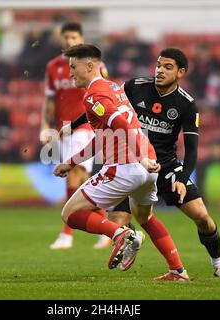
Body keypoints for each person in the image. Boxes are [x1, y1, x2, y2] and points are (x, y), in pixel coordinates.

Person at [64, 48, 220, 279]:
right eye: (158, 65)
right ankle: (175, 268)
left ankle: (219, 263)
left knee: (202, 217)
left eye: (167, 67)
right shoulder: (133, 86)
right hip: (139, 161)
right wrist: (74, 126)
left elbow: (192, 149)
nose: (160, 71)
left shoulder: (186, 104)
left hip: (159, 163)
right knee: (132, 218)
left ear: (180, 72)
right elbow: (102, 109)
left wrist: (183, 180)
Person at [53, 44, 189, 280]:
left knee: (69, 213)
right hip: (147, 167)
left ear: (89, 66)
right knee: (145, 216)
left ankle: (120, 235)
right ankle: (178, 270)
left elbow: (121, 125)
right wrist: (72, 162)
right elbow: (103, 137)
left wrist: (140, 158)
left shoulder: (94, 95)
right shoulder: (114, 87)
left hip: (128, 166)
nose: (70, 73)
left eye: (73, 67)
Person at [41, 22, 110, 250]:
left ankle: (66, 233)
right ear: (61, 39)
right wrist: (45, 125)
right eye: (66, 37)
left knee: (73, 172)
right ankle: (107, 228)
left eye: (74, 37)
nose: (69, 41)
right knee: (81, 179)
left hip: (85, 126)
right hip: (64, 130)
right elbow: (50, 101)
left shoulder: (91, 67)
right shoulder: (53, 67)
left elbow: (105, 93)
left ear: (80, 38)